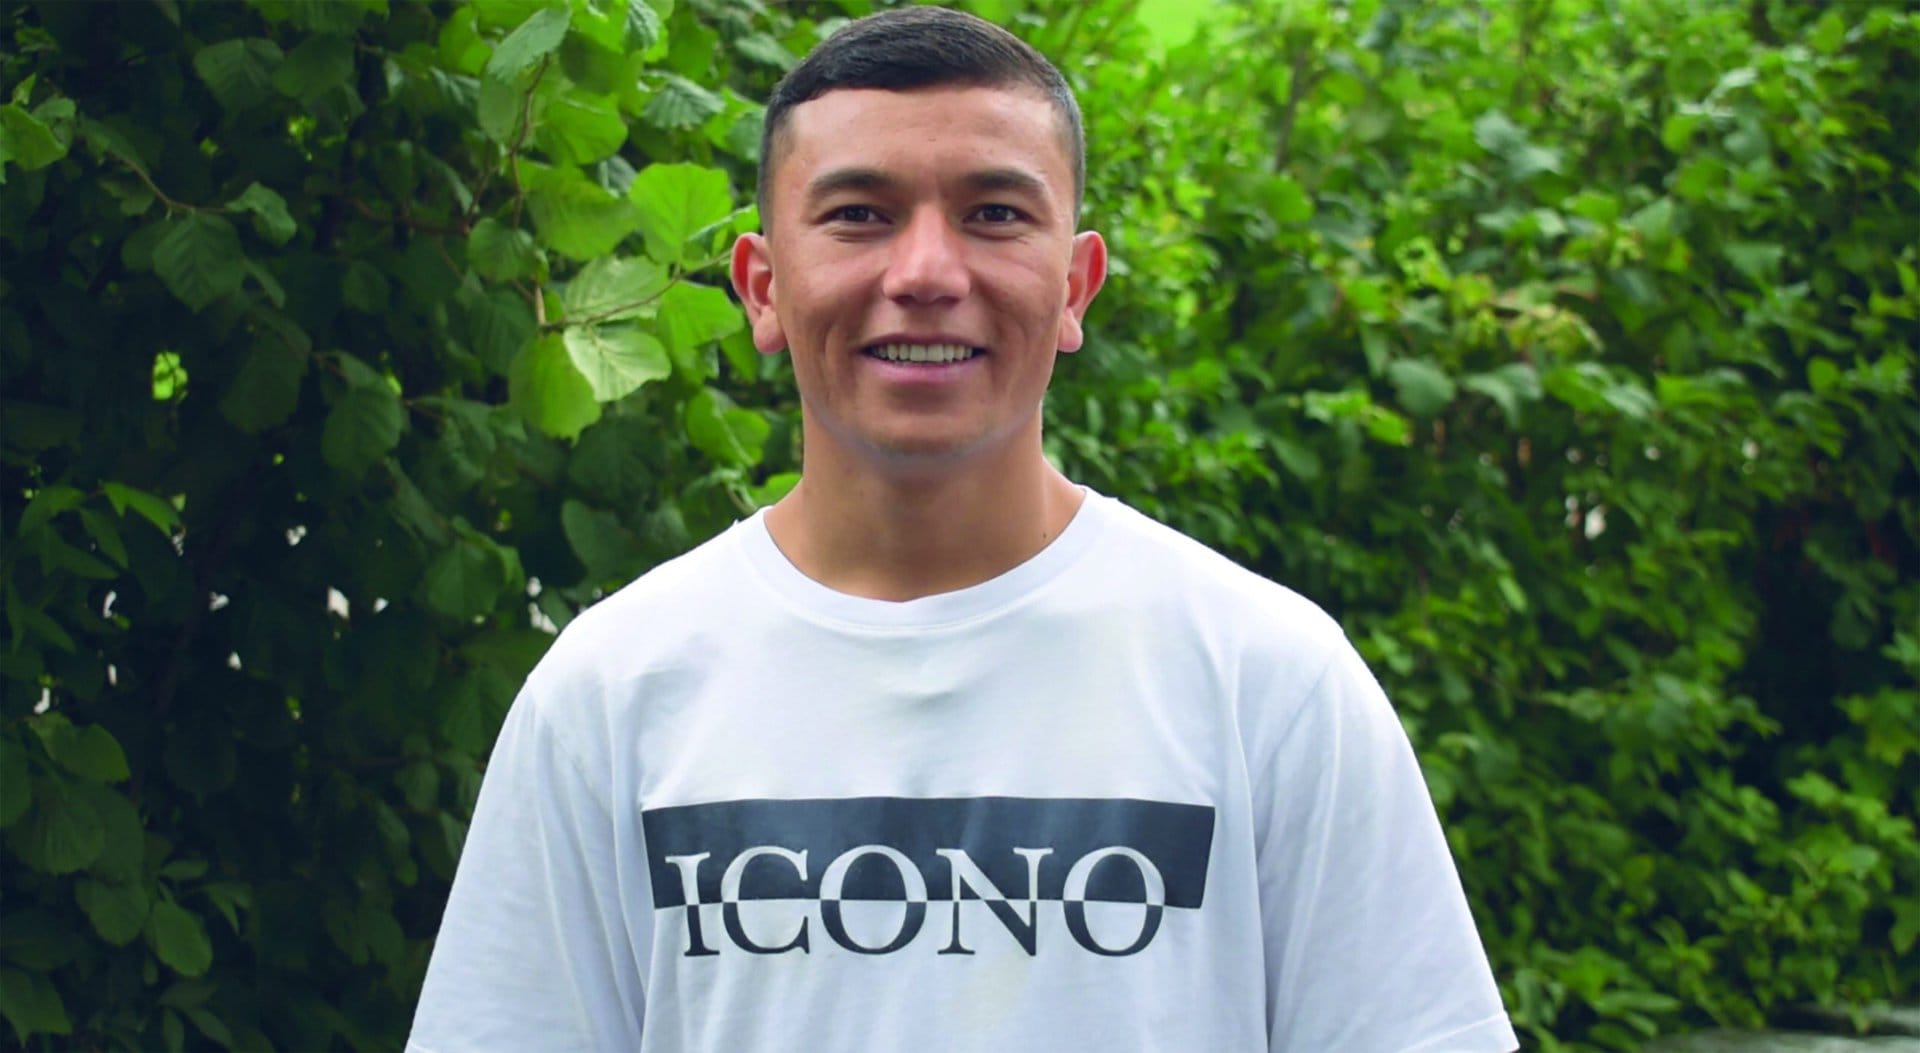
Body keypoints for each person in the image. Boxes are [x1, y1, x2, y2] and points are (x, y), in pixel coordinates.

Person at [407, 7, 1518, 1052]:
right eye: (858, 216)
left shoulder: (1265, 680)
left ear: (1076, 284)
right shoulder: (610, 692)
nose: (927, 274)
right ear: (761, 287)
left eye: (994, 214)